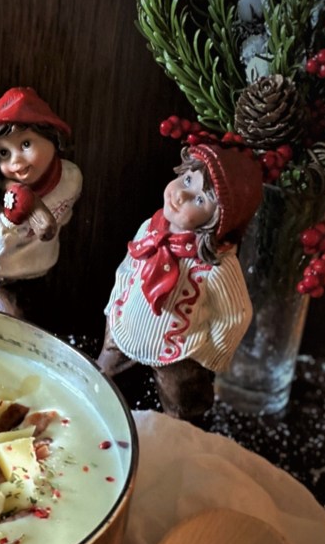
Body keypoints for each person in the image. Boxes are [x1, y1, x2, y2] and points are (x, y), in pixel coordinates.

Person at [97, 143, 263, 421]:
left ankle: (178, 434)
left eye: (200, 200)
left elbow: (236, 314)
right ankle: (96, 404)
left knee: (182, 401)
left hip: (176, 349)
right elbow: (127, 268)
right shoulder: (150, 228)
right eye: (187, 180)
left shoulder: (216, 266)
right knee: (103, 375)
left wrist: (206, 354)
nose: (182, 194)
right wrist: (115, 305)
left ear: (217, 220)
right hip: (125, 326)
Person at [0, 87, 82, 316]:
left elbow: (63, 215)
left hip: (36, 268)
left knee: (36, 319)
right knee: (8, 319)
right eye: (4, 153)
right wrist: (10, 218)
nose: (16, 161)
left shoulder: (71, 179)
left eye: (26, 144)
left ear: (52, 137)